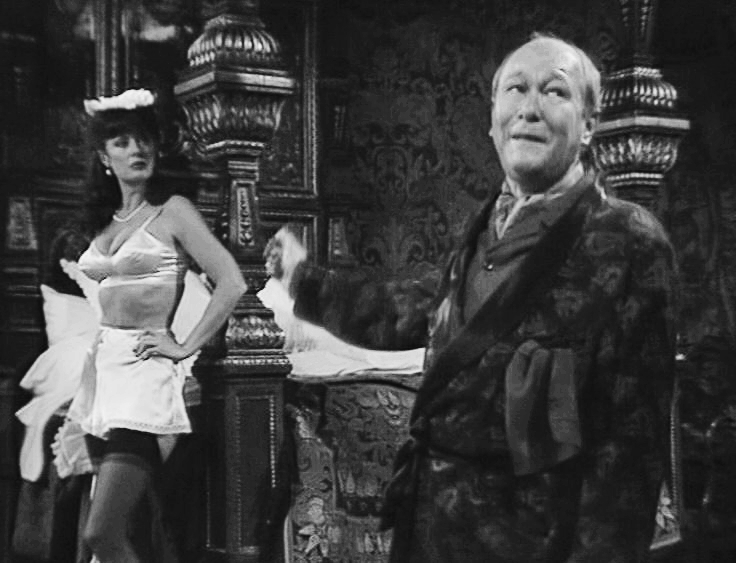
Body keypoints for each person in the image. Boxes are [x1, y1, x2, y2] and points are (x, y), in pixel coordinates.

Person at [265, 32, 679, 562]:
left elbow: (630, 453)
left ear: (588, 124)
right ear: (492, 120)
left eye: (555, 91)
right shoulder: (486, 224)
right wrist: (304, 279)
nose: (529, 108)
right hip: (433, 528)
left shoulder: (630, 241)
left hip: (533, 543)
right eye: (516, 89)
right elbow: (417, 314)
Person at [68, 88, 247, 562]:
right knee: (115, 535)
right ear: (104, 157)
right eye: (122, 142)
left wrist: (185, 346)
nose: (137, 149)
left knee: (101, 533)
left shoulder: (174, 212)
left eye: (144, 139)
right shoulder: (105, 225)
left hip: (144, 380)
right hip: (102, 380)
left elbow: (232, 282)